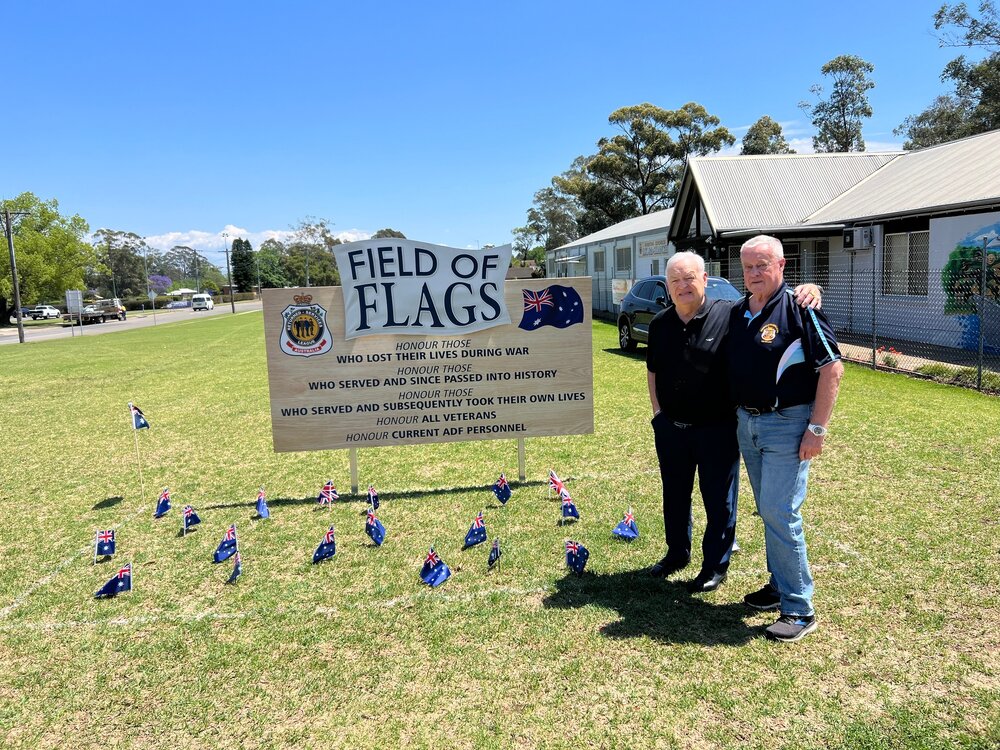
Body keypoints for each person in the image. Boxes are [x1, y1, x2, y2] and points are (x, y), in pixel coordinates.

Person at [646, 251, 821, 593]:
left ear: (705, 280)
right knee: (675, 493)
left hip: (718, 427)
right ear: (667, 286)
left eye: (689, 278)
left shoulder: (730, 314)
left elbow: (767, 297)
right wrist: (658, 415)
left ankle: (714, 565)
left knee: (718, 499)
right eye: (675, 280)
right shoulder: (659, 324)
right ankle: (676, 553)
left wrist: (810, 289)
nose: (683, 286)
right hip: (672, 428)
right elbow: (652, 370)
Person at [729, 235, 843, 642]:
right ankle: (779, 586)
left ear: (781, 265)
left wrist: (817, 429)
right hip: (749, 425)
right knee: (768, 509)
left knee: (780, 511)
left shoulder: (800, 306)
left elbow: (832, 368)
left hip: (788, 426)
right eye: (748, 267)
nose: (755, 273)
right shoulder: (740, 311)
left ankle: (798, 610)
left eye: (762, 265)